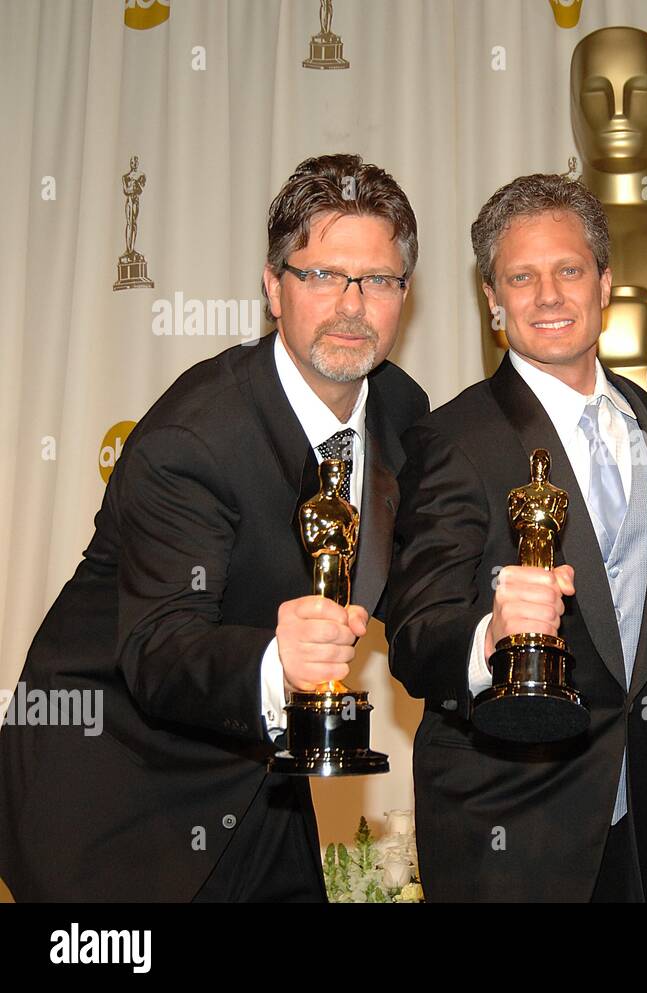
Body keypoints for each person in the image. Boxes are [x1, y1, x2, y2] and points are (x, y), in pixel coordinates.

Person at [0, 153, 429, 901]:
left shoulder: (402, 413)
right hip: (115, 797)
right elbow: (159, 648)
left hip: (261, 780)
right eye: (322, 275)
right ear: (273, 287)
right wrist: (276, 661)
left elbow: (417, 581)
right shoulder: (194, 437)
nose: (352, 304)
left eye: (379, 280)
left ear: (404, 295)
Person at [385, 174, 647, 902]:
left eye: (569, 270)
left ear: (605, 282)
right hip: (504, 822)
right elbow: (416, 634)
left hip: (639, 810)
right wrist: (491, 634)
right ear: (493, 300)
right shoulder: (453, 439)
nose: (548, 296)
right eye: (522, 276)